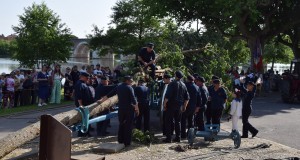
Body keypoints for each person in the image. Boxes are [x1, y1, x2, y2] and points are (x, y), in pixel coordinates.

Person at [100, 76, 139, 146]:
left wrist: (101, 101)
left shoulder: (118, 87)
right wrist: (137, 109)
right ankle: (127, 142)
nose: (131, 82)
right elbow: (134, 100)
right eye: (131, 81)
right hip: (129, 109)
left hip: (121, 109)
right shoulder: (129, 88)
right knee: (128, 126)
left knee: (121, 124)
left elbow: (109, 95)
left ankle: (120, 140)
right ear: (127, 81)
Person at [163, 71, 190, 143]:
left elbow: (167, 96)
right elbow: (187, 98)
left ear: (176, 76)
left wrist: (164, 105)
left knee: (168, 121)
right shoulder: (184, 85)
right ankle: (178, 137)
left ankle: (169, 138)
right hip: (179, 106)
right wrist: (184, 107)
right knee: (178, 122)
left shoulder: (172, 84)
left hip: (171, 105)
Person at [74, 71, 94, 137]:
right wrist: (80, 105)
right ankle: (81, 134)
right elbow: (79, 96)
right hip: (83, 105)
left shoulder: (83, 83)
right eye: (87, 78)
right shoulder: (79, 84)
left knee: (86, 119)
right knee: (82, 120)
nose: (88, 79)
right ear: (82, 77)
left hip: (86, 105)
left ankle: (86, 132)